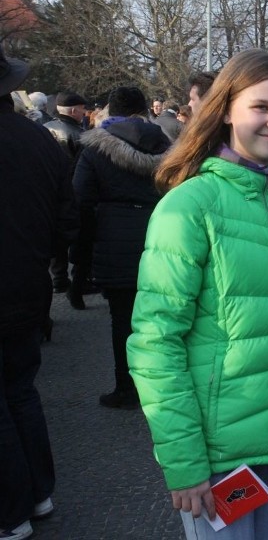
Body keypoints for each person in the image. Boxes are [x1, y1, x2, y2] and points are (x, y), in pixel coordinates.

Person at [126, 49, 268, 539]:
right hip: (215, 454)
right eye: (261, 107)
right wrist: (185, 461)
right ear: (225, 110)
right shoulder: (189, 206)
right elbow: (155, 343)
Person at [1, 46, 76, 540]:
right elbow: (67, 219)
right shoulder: (38, 139)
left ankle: (11, 511)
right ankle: (39, 492)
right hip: (26, 286)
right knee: (21, 390)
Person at [72, 86, 171, 409]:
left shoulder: (95, 149)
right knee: (162, 316)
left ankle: (126, 387)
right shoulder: (167, 144)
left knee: (122, 319)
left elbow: (82, 201)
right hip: (161, 235)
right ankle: (164, 384)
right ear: (143, 110)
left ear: (110, 110)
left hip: (113, 238)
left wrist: (80, 260)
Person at [44, 91, 88, 294]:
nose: (84, 113)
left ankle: (58, 276)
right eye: (81, 109)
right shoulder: (79, 135)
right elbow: (82, 167)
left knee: (54, 234)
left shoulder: (43, 129)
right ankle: (77, 279)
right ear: (73, 110)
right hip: (71, 189)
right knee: (76, 234)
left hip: (48, 189)